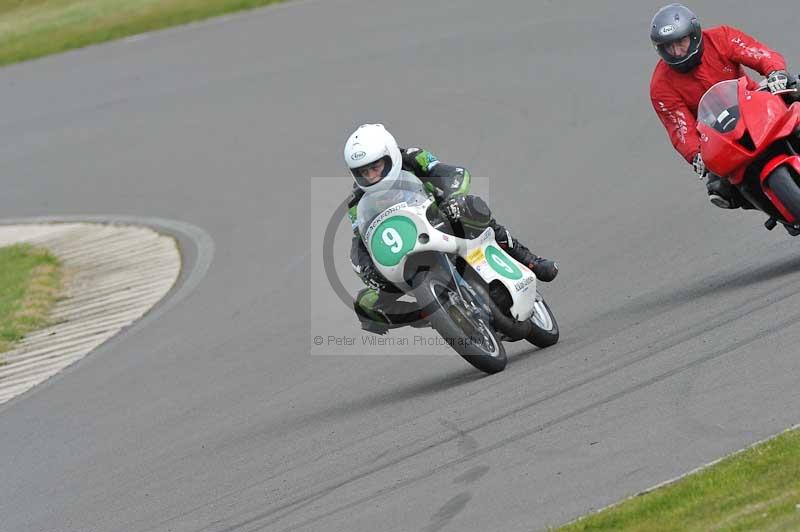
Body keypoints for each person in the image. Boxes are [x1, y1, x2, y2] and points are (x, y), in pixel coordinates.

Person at [344, 123, 558, 335]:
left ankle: (531, 260)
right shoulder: (356, 202)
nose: (371, 176)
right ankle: (429, 312)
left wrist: (454, 198)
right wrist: (366, 268)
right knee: (365, 306)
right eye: (364, 172)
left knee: (472, 208)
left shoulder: (413, 158)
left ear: (390, 155)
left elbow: (454, 174)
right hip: (404, 249)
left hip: (441, 219)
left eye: (376, 167)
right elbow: (362, 239)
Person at [649, 3, 791, 209]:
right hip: (720, 134)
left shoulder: (721, 37)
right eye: (669, 47)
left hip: (755, 103)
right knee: (719, 190)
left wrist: (775, 72)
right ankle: (772, 207)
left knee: (794, 90)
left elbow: (758, 53)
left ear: (694, 35)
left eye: (681, 42)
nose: (677, 52)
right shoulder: (660, 86)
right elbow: (680, 127)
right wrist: (695, 153)